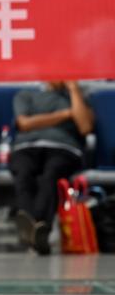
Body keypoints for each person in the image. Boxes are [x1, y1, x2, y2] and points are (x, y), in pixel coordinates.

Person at [11, 81, 94, 255]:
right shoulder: (25, 94)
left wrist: (73, 89)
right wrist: (66, 114)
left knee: (52, 174)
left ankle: (37, 227)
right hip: (27, 147)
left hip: (64, 149)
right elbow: (25, 124)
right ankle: (37, 230)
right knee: (23, 173)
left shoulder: (79, 96)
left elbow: (85, 127)